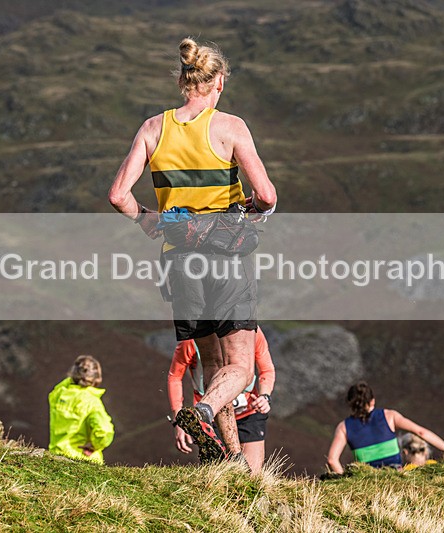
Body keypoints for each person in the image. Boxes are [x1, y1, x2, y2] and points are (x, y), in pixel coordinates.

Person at [108, 37, 277, 462]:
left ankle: (230, 461)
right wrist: (250, 210)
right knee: (239, 365)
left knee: (209, 362)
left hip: (179, 262)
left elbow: (118, 196)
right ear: (217, 82)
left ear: (184, 81)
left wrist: (149, 220)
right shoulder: (230, 127)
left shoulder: (153, 128)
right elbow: (268, 196)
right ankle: (201, 410)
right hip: (226, 258)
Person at [168, 326, 275, 473]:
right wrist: (178, 421)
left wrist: (265, 395)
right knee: (218, 475)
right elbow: (175, 377)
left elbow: (266, 369)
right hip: (212, 417)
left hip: (248, 413)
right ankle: (203, 412)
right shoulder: (192, 342)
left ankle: (204, 412)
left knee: (252, 475)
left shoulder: (250, 333)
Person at [325, 381, 444, 474]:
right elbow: (420, 432)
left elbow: (332, 460)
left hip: (366, 478)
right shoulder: (389, 416)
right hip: (395, 474)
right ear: (372, 401)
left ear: (350, 404)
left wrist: (345, 481)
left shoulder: (344, 427)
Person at [48, 355, 115, 464]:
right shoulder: (92, 402)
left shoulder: (58, 394)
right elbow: (104, 431)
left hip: (56, 454)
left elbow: (64, 384)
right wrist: (95, 445)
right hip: (83, 460)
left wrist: (74, 376)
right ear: (96, 377)